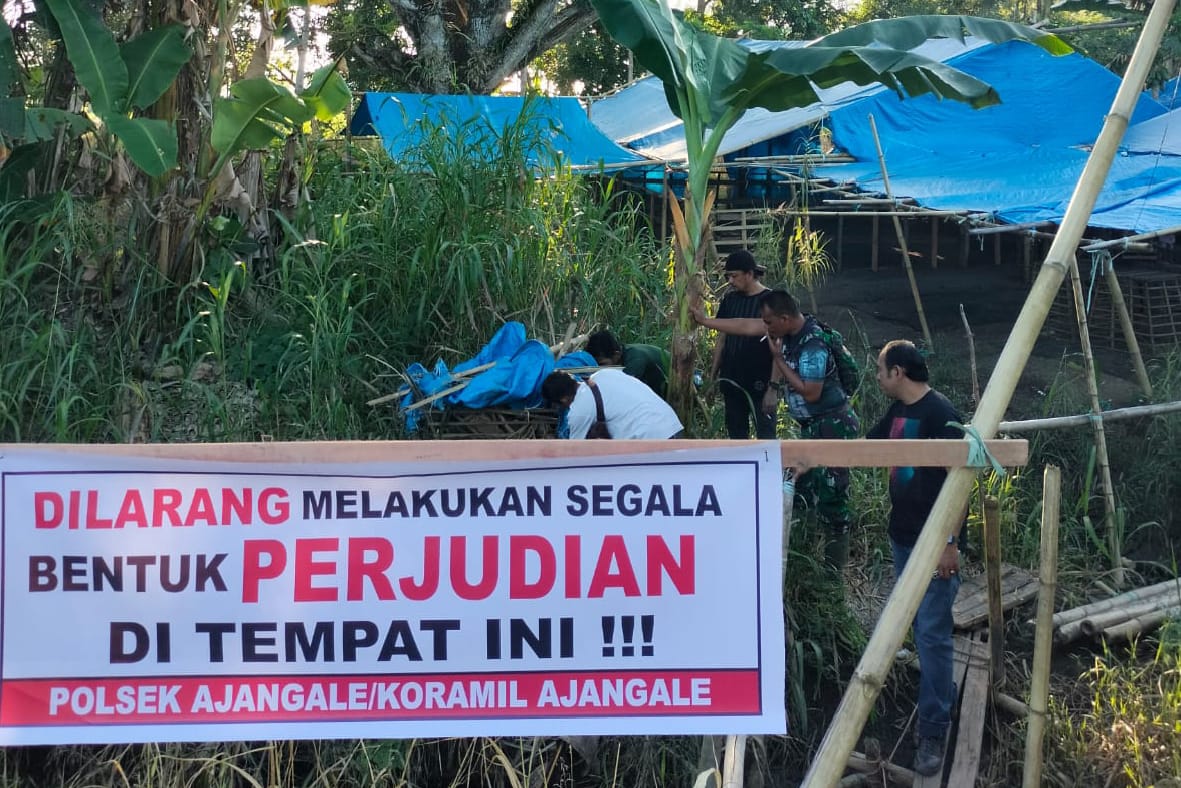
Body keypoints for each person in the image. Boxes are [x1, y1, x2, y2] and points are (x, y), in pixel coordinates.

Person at [693, 288, 858, 570]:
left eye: (769, 322)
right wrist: (706, 321)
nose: (765, 328)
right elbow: (745, 325)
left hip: (831, 426)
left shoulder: (812, 345)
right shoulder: (786, 330)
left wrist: (778, 360)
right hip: (811, 427)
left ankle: (833, 572)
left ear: (784, 318)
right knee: (803, 491)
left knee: (832, 497)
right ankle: (803, 559)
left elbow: (811, 392)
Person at [866, 339, 964, 778]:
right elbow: (867, 447)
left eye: (880, 369)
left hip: (933, 542)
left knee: (931, 633)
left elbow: (960, 481)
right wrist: (815, 456)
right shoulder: (898, 412)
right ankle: (942, 695)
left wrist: (949, 541)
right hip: (903, 536)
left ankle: (933, 729)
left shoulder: (941, 414)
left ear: (898, 372)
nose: (877, 376)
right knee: (919, 627)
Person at [707, 250, 774, 439]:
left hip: (760, 380)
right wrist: (713, 377)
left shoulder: (770, 301)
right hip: (732, 379)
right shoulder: (730, 300)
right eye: (728, 276)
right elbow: (722, 339)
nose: (730, 281)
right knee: (736, 437)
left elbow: (778, 349)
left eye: (734, 276)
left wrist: (773, 387)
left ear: (749, 274)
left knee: (766, 437)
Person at [541, 368, 683, 439]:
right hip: (669, 422)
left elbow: (574, 454)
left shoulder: (579, 410)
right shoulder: (604, 373)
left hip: (648, 436)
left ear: (564, 400)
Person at [585, 330, 670, 398]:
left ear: (616, 355)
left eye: (602, 364)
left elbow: (623, 391)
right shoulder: (623, 355)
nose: (598, 369)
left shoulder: (635, 360)